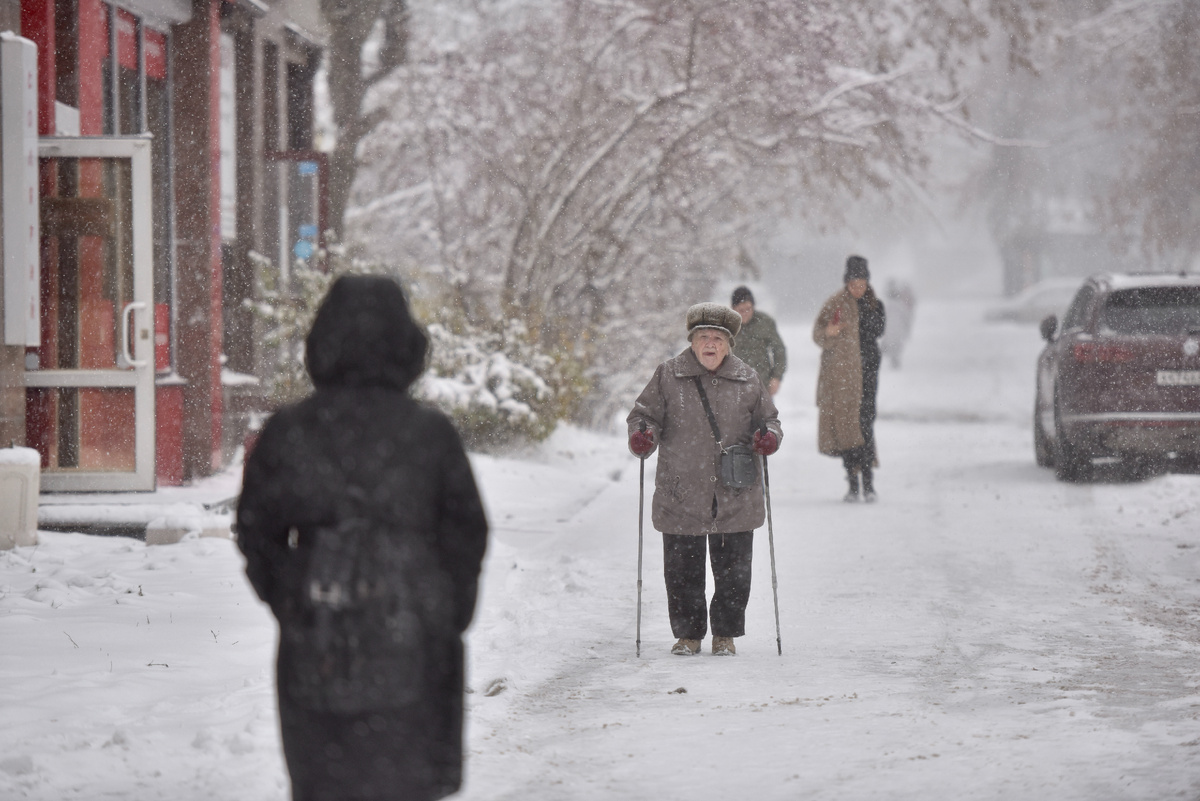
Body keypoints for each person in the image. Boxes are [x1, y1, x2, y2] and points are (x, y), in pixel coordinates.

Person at [236, 275, 489, 801]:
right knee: (406, 780)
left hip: (319, 640)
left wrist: (293, 594)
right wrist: (442, 611)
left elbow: (257, 529)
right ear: (407, 343)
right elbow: (465, 532)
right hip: (414, 640)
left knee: (327, 781)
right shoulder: (429, 433)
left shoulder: (290, 430)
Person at [627, 302, 783, 657]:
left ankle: (724, 635)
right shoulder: (668, 375)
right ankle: (688, 636)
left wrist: (769, 438)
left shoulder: (747, 378)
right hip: (682, 489)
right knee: (682, 570)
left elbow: (770, 421)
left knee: (734, 572)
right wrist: (643, 435)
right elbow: (643, 415)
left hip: (735, 489)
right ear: (692, 342)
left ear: (728, 344)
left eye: (717, 338)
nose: (710, 344)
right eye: (703, 337)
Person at [813, 255, 886, 503]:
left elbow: (878, 330)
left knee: (865, 426)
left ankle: (869, 482)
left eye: (861, 283)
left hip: (867, 376)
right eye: (853, 284)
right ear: (846, 282)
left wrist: (863, 319)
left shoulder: (875, 305)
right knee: (846, 429)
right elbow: (817, 334)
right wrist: (829, 332)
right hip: (841, 377)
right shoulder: (835, 304)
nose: (857, 288)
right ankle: (853, 484)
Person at [730, 286, 788, 396]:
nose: (745, 313)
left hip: (761, 385)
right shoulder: (726, 326)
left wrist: (776, 377)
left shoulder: (764, 322)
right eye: (741, 310)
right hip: (732, 388)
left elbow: (779, 349)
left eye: (748, 309)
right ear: (733, 308)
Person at [880, 279, 916, 369]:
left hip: (889, 328)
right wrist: (907, 328)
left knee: (891, 343)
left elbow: (881, 317)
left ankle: (893, 358)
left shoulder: (886, 305)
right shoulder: (900, 306)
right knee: (896, 344)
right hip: (898, 328)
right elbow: (906, 318)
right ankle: (894, 358)